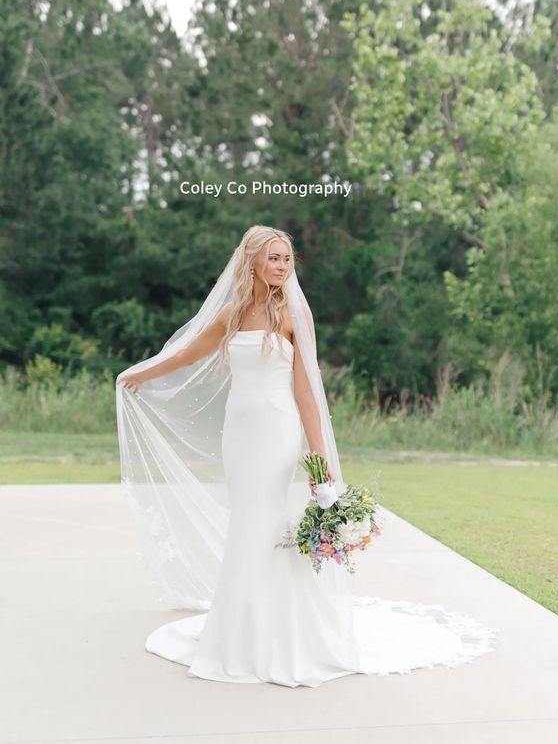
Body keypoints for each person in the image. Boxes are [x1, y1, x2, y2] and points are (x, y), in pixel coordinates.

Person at [116, 225, 501, 687]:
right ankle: (243, 622)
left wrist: (321, 462)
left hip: (277, 431)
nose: (282, 266)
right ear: (252, 261)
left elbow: (306, 391)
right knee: (247, 520)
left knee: (262, 518)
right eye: (274, 258)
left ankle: (263, 631)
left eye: (286, 259)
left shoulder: (294, 314)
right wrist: (141, 373)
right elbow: (188, 353)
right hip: (239, 433)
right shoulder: (233, 314)